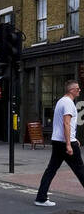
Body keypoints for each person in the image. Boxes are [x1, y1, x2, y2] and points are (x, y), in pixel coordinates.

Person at [38, 78, 81, 207]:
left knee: (51, 170)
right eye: (78, 89)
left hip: (57, 141)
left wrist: (73, 137)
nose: (80, 90)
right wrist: (69, 143)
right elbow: (66, 123)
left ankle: (40, 198)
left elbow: (65, 125)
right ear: (72, 90)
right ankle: (40, 198)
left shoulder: (61, 101)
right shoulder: (68, 103)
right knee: (80, 169)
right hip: (65, 143)